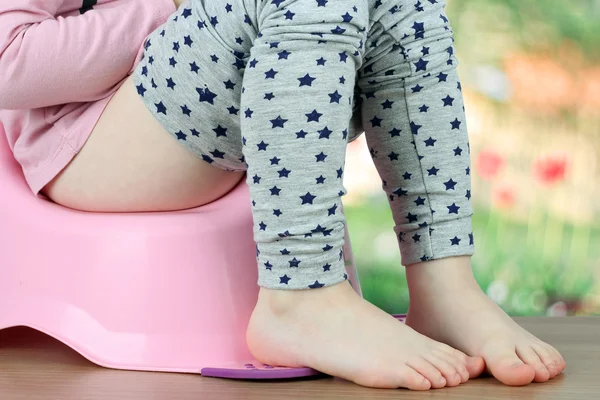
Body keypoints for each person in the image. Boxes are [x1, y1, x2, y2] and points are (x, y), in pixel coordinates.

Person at [0, 0, 565, 390]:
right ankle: (300, 297)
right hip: (90, 140)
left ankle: (443, 285)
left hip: (203, 99)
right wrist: (176, 10)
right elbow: (10, 59)